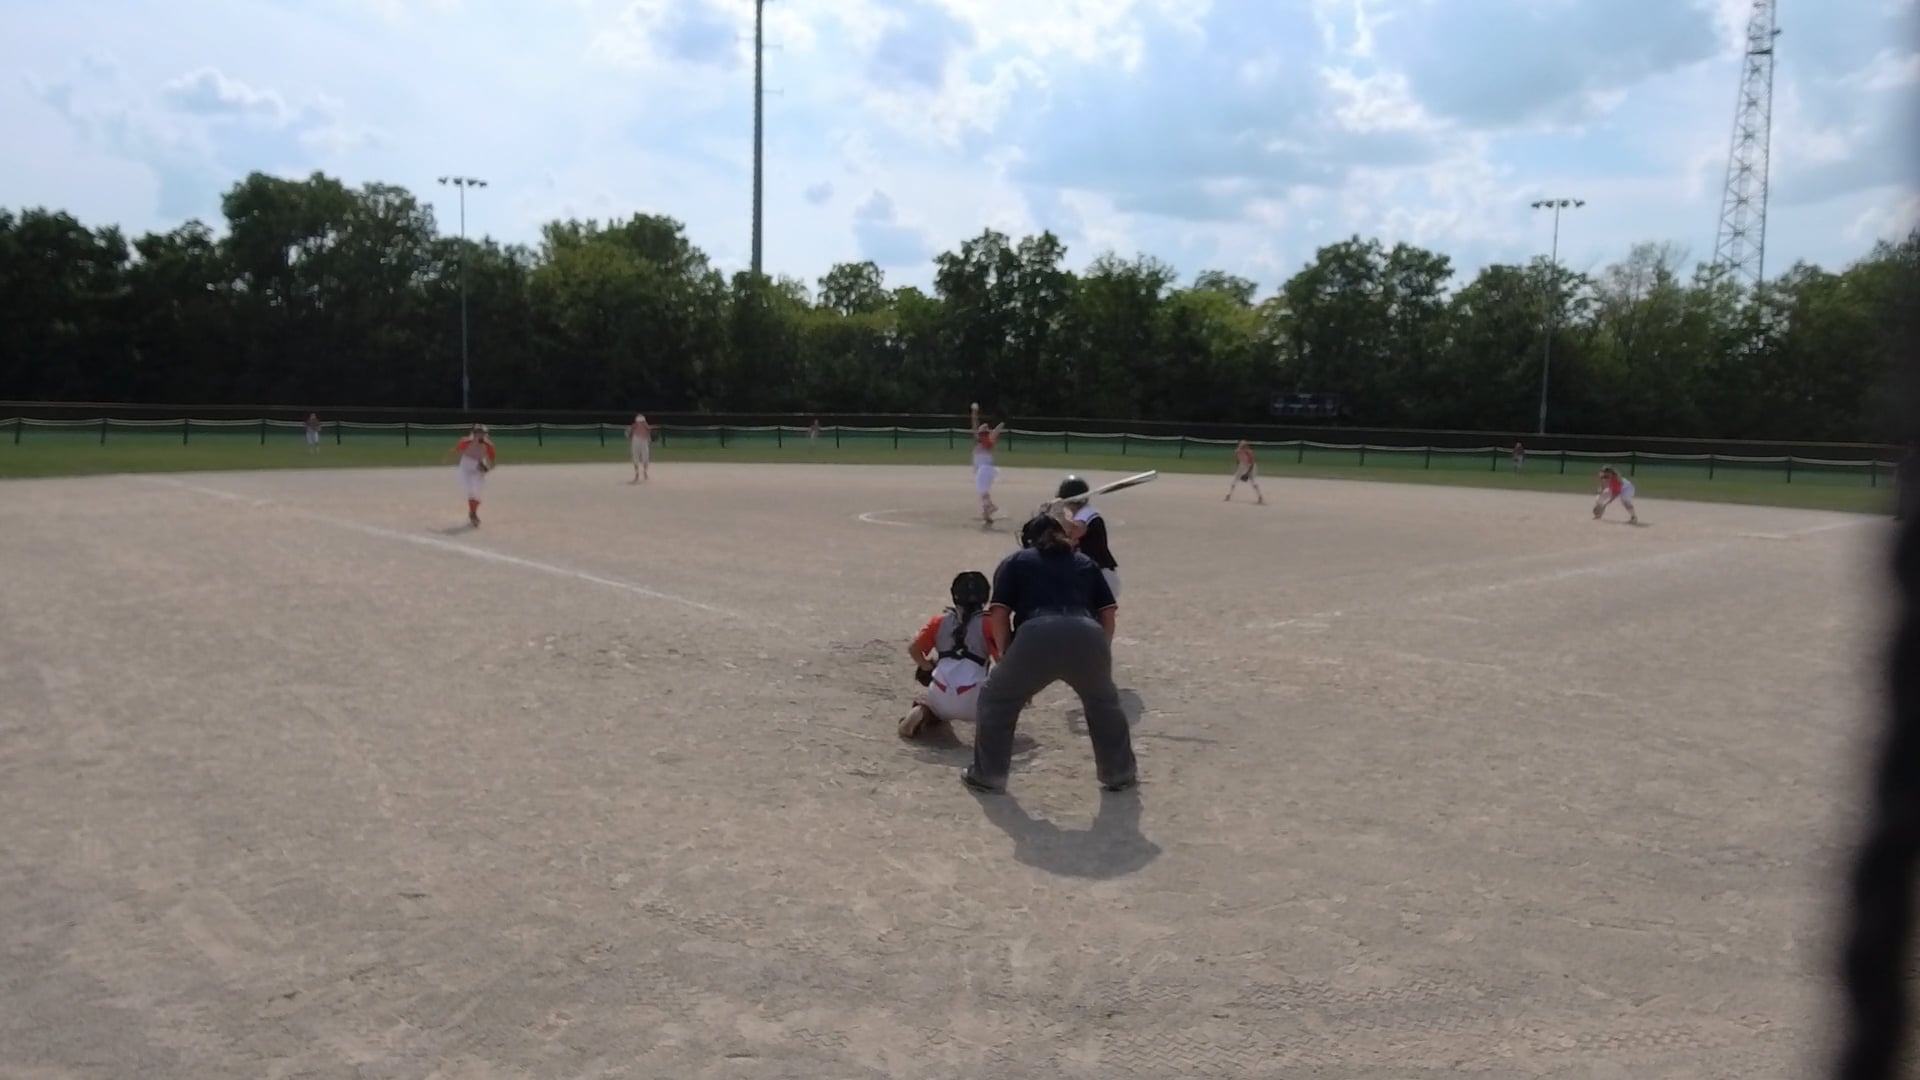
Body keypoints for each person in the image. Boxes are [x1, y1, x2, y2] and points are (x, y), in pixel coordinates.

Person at [963, 513, 1135, 794]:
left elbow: (999, 613)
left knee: (997, 699)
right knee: (1103, 703)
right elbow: (1107, 613)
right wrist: (1101, 652)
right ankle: (1119, 774)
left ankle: (988, 776)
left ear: (1028, 540)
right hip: (1087, 632)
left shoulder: (1015, 562)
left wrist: (1006, 653)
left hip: (1036, 632)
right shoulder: (1084, 562)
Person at [899, 571, 996, 739]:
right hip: (974, 699)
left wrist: (926, 666)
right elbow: (1006, 660)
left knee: (930, 699)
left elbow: (914, 649)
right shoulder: (990, 623)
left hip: (940, 693)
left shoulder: (939, 621)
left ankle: (924, 710)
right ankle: (994, 725)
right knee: (1003, 699)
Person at [1053, 475, 1120, 598]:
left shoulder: (1088, 513)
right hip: (1087, 574)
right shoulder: (1076, 516)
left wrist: (1059, 515)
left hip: (1101, 576)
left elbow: (1074, 532)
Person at [445, 424, 496, 526]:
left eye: (483, 433)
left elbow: (492, 460)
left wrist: (487, 468)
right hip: (465, 468)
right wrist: (448, 459)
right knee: (470, 491)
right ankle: (473, 514)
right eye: (478, 433)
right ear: (474, 433)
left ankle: (473, 513)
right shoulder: (466, 442)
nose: (481, 435)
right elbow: (456, 451)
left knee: (477, 493)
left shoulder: (489, 445)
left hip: (478, 467)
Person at [970, 402, 1007, 525]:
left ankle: (990, 507)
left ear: (981, 433)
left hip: (984, 470)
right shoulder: (989, 441)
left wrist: (974, 413)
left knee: (983, 493)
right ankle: (987, 515)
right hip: (990, 470)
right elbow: (995, 432)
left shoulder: (981, 441)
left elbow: (974, 424)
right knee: (984, 492)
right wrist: (1001, 424)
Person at [627, 413, 652, 483]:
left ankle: (643, 472)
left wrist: (649, 437)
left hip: (642, 440)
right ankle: (638, 473)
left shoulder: (645, 426)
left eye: (642, 422)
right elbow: (629, 434)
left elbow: (649, 432)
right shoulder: (635, 426)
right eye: (640, 422)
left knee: (645, 458)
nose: (641, 424)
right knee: (636, 458)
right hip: (636, 440)